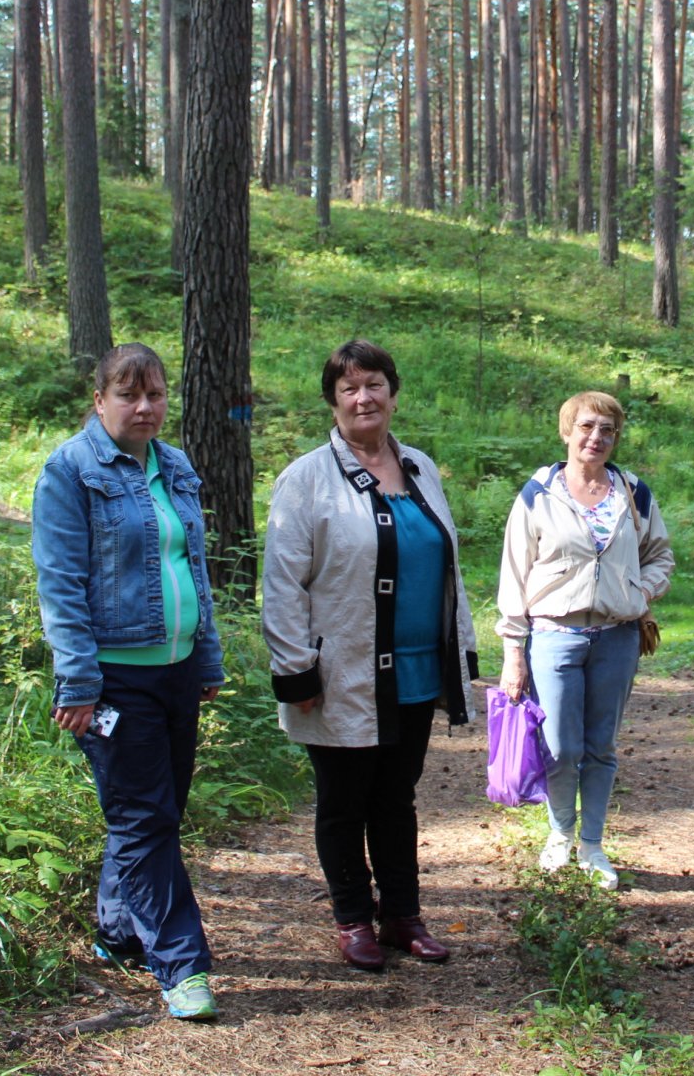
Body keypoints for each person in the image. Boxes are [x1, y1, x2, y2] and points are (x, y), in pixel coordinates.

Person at [262, 340, 480, 972]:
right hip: (341, 673)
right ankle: (353, 918)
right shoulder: (305, 480)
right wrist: (295, 667)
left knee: (397, 798)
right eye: (350, 387)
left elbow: (448, 569)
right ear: (333, 400)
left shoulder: (420, 467)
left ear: (392, 391)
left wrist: (459, 653)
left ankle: (402, 917)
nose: (364, 398)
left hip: (413, 668)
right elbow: (281, 583)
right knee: (343, 802)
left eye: (375, 384)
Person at [32, 343, 226, 1021]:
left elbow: (193, 569)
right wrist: (78, 681)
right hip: (114, 679)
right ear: (99, 400)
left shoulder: (174, 466)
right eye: (128, 394)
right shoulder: (71, 471)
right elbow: (60, 585)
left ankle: (118, 933)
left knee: (154, 813)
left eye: (155, 395)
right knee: (145, 817)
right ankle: (181, 964)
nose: (144, 408)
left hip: (175, 673)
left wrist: (206, 659)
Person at [497, 391, 673, 889]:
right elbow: (514, 573)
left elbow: (660, 555)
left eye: (608, 430)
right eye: (588, 427)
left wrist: (641, 591)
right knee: (559, 744)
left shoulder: (633, 493)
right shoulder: (537, 493)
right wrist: (514, 651)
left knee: (601, 746)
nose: (597, 438)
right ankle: (559, 836)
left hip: (616, 638)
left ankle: (593, 845)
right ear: (567, 431)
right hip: (553, 636)